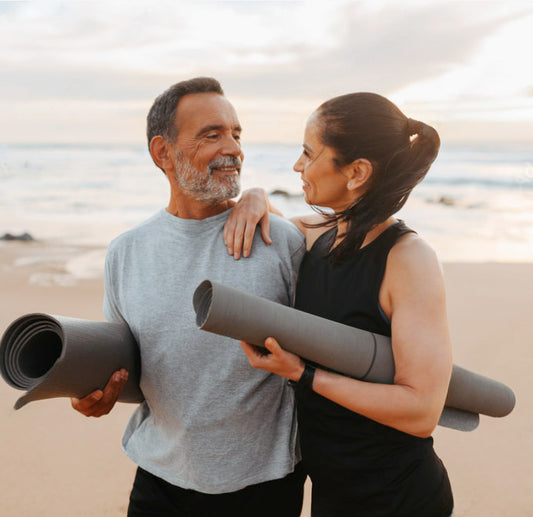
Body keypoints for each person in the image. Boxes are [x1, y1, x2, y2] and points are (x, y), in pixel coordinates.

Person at [70, 77, 306, 517]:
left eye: (237, 134)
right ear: (163, 152)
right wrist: (97, 393)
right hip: (160, 480)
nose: (234, 148)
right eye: (212, 134)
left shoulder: (280, 241)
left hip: (263, 486)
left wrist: (261, 198)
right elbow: (133, 370)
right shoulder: (126, 252)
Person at [227, 92, 454, 516]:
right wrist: (254, 194)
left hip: (397, 498)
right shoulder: (320, 234)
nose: (298, 166)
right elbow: (274, 221)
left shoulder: (408, 259)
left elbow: (422, 410)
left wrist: (303, 374)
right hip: (332, 493)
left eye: (308, 153)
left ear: (356, 172)